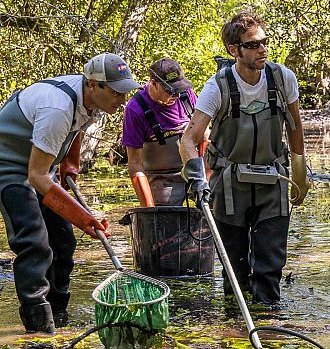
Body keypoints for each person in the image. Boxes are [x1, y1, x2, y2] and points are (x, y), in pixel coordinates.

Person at [0, 53, 138, 332]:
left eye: (125, 93)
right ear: (92, 84)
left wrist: (69, 164)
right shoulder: (58, 108)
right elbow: (36, 177)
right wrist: (85, 218)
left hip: (39, 168)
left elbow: (77, 130)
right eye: (115, 92)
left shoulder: (90, 101)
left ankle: (59, 314)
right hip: (9, 169)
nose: (121, 101)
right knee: (34, 242)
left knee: (63, 243)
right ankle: (38, 325)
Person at [180, 11, 308, 305]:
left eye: (264, 42)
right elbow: (189, 139)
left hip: (273, 183)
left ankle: (272, 327)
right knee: (234, 274)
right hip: (229, 189)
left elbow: (295, 125)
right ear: (233, 50)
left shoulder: (282, 78)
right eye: (252, 45)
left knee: (270, 268)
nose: (262, 49)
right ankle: (235, 335)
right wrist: (197, 178)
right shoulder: (217, 87)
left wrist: (300, 170)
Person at [122, 58, 201, 206]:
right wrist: (148, 208)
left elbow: (204, 137)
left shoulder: (186, 95)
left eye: (179, 90)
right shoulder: (135, 109)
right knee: (164, 217)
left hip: (193, 169)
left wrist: (205, 178)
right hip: (162, 178)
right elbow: (135, 164)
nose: (176, 96)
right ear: (153, 84)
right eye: (170, 91)